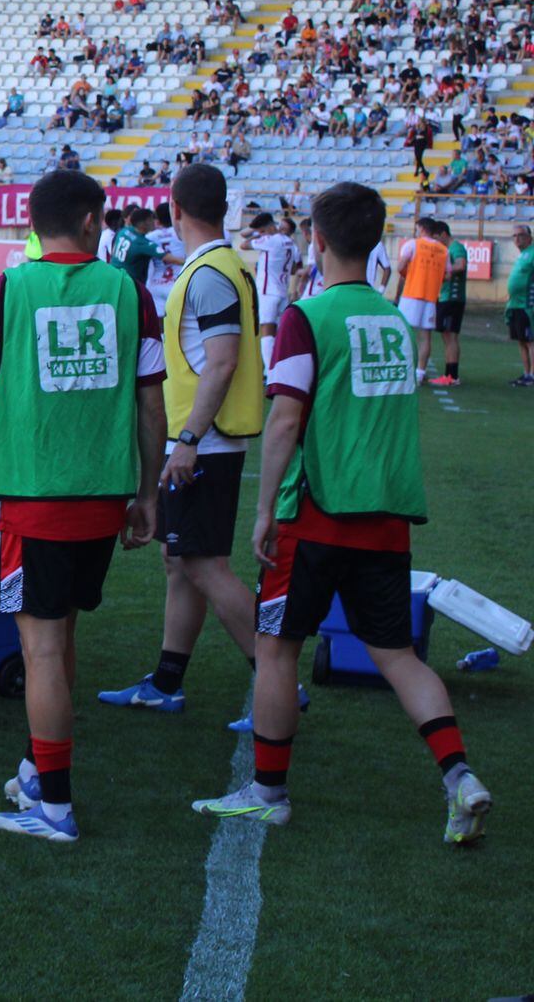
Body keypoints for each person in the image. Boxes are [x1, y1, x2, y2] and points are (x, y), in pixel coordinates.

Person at [193, 182, 491, 845]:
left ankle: (269, 792)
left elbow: (285, 420)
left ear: (317, 241)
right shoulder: (392, 321)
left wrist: (265, 508)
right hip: (385, 517)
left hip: (317, 516)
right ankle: (459, 777)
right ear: (378, 242)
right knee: (397, 655)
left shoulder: (308, 316)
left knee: (276, 649)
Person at [0, 169, 165, 842]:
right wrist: (147, 492)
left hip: (35, 497)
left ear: (33, 223)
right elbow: (153, 403)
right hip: (102, 492)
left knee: (38, 648)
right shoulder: (129, 290)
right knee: (60, 635)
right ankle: (40, 770)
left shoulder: (11, 287)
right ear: (92, 220)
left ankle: (55, 807)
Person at [97, 165, 293, 725]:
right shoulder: (221, 265)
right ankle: (166, 681)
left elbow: (223, 361)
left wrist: (186, 439)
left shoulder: (208, 272)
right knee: (179, 560)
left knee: (203, 564)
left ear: (174, 209)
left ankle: (276, 678)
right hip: (204, 441)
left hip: (203, 444)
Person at [391, 215, 448, 380]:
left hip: (411, 294)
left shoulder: (413, 244)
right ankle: (420, 373)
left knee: (404, 332)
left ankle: (401, 368)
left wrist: (411, 275)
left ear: (422, 228)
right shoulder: (444, 250)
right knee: (426, 336)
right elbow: (448, 274)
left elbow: (401, 266)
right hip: (430, 296)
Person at [243, 212, 299, 369]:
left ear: (267, 228)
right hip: (282, 291)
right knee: (279, 333)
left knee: (266, 331)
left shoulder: (269, 240)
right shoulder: (289, 242)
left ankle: (270, 372)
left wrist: (256, 234)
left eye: (261, 231)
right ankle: (282, 368)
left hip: (268, 291)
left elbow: (243, 244)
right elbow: (295, 268)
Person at [428, 220, 468, 388]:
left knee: (450, 336)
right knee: (447, 335)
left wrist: (442, 271)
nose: (436, 242)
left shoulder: (456, 248)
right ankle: (449, 374)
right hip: (445, 297)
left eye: (437, 238)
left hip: (452, 298)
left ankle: (452, 376)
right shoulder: (447, 249)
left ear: (443, 234)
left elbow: (461, 265)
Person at [508, 225, 534, 386]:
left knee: (531, 340)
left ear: (529, 237)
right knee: (521, 340)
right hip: (516, 304)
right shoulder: (522, 255)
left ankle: (532, 375)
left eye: (521, 235)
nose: (517, 239)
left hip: (528, 305)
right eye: (515, 236)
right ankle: (526, 373)